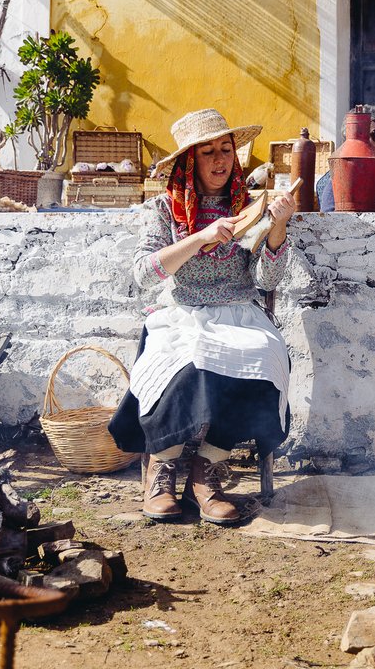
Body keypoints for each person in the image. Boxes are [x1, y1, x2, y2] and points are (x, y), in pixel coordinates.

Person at [108, 108, 296, 524]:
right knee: (191, 363)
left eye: (226, 149)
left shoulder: (250, 206)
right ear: (188, 161)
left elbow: (267, 277)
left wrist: (278, 226)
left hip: (238, 312)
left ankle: (207, 470)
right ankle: (163, 467)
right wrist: (200, 237)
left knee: (264, 358)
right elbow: (144, 273)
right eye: (207, 151)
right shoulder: (164, 209)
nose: (220, 159)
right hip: (182, 312)